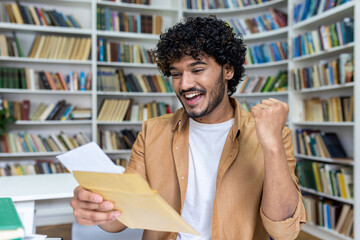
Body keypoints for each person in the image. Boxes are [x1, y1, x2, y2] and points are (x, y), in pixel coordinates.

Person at [70, 16, 306, 240]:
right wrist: (96, 208)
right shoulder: (152, 132)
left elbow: (284, 230)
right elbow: (120, 218)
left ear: (228, 70)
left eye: (197, 69)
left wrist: (272, 146)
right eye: (175, 74)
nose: (184, 84)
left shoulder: (270, 135)